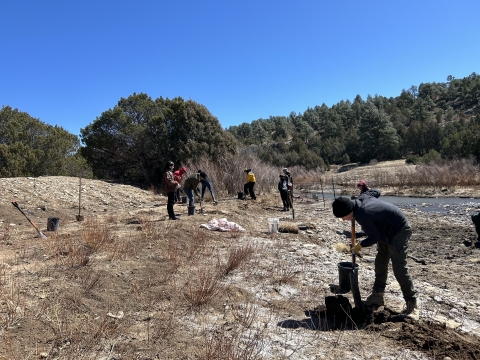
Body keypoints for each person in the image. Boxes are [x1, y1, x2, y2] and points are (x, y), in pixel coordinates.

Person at [332, 195, 418, 319]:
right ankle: (377, 296)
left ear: (348, 211)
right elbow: (375, 191)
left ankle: (412, 306)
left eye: (343, 217)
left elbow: (374, 236)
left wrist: (360, 245)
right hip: (385, 232)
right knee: (380, 263)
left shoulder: (363, 214)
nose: (343, 220)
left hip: (398, 231)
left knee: (399, 269)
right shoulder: (360, 201)